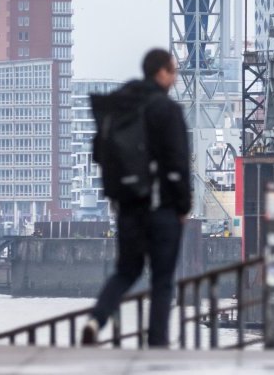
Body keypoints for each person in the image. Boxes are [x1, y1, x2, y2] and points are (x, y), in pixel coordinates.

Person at [83, 49, 191, 347]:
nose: (175, 76)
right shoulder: (166, 110)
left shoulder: (121, 106)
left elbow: (99, 152)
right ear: (161, 73)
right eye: (173, 71)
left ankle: (96, 320)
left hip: (128, 206)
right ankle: (157, 345)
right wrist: (183, 206)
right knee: (162, 279)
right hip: (162, 209)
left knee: (126, 270)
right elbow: (178, 162)